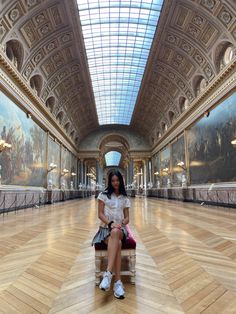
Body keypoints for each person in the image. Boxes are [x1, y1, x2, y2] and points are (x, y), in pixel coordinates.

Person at [92, 170, 131, 299]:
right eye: (113, 180)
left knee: (116, 232)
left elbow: (127, 218)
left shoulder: (125, 198)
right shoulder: (103, 195)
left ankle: (108, 274)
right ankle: (118, 283)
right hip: (105, 229)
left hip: (120, 229)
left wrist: (121, 224)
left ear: (121, 181)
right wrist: (110, 224)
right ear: (110, 181)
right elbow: (100, 214)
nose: (115, 183)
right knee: (117, 243)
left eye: (117, 180)